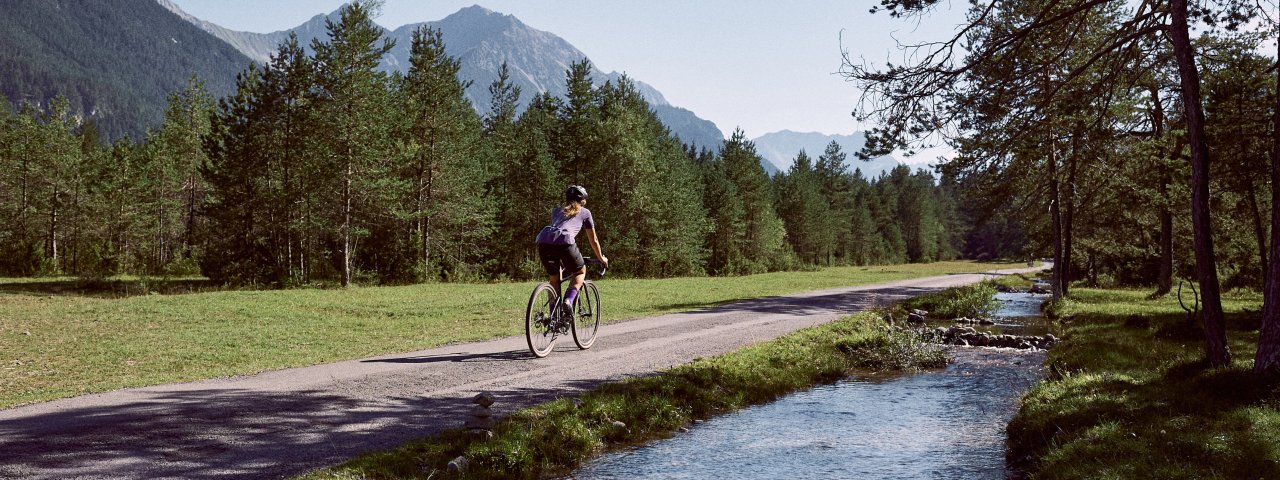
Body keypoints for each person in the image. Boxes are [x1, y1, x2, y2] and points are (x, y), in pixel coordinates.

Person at [535, 185, 609, 319]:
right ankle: (568, 301)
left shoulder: (556, 211)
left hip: (543, 242)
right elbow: (594, 240)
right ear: (583, 200)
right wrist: (601, 258)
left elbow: (556, 235)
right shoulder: (585, 212)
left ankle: (553, 317)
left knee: (554, 279)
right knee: (580, 272)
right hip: (565, 242)